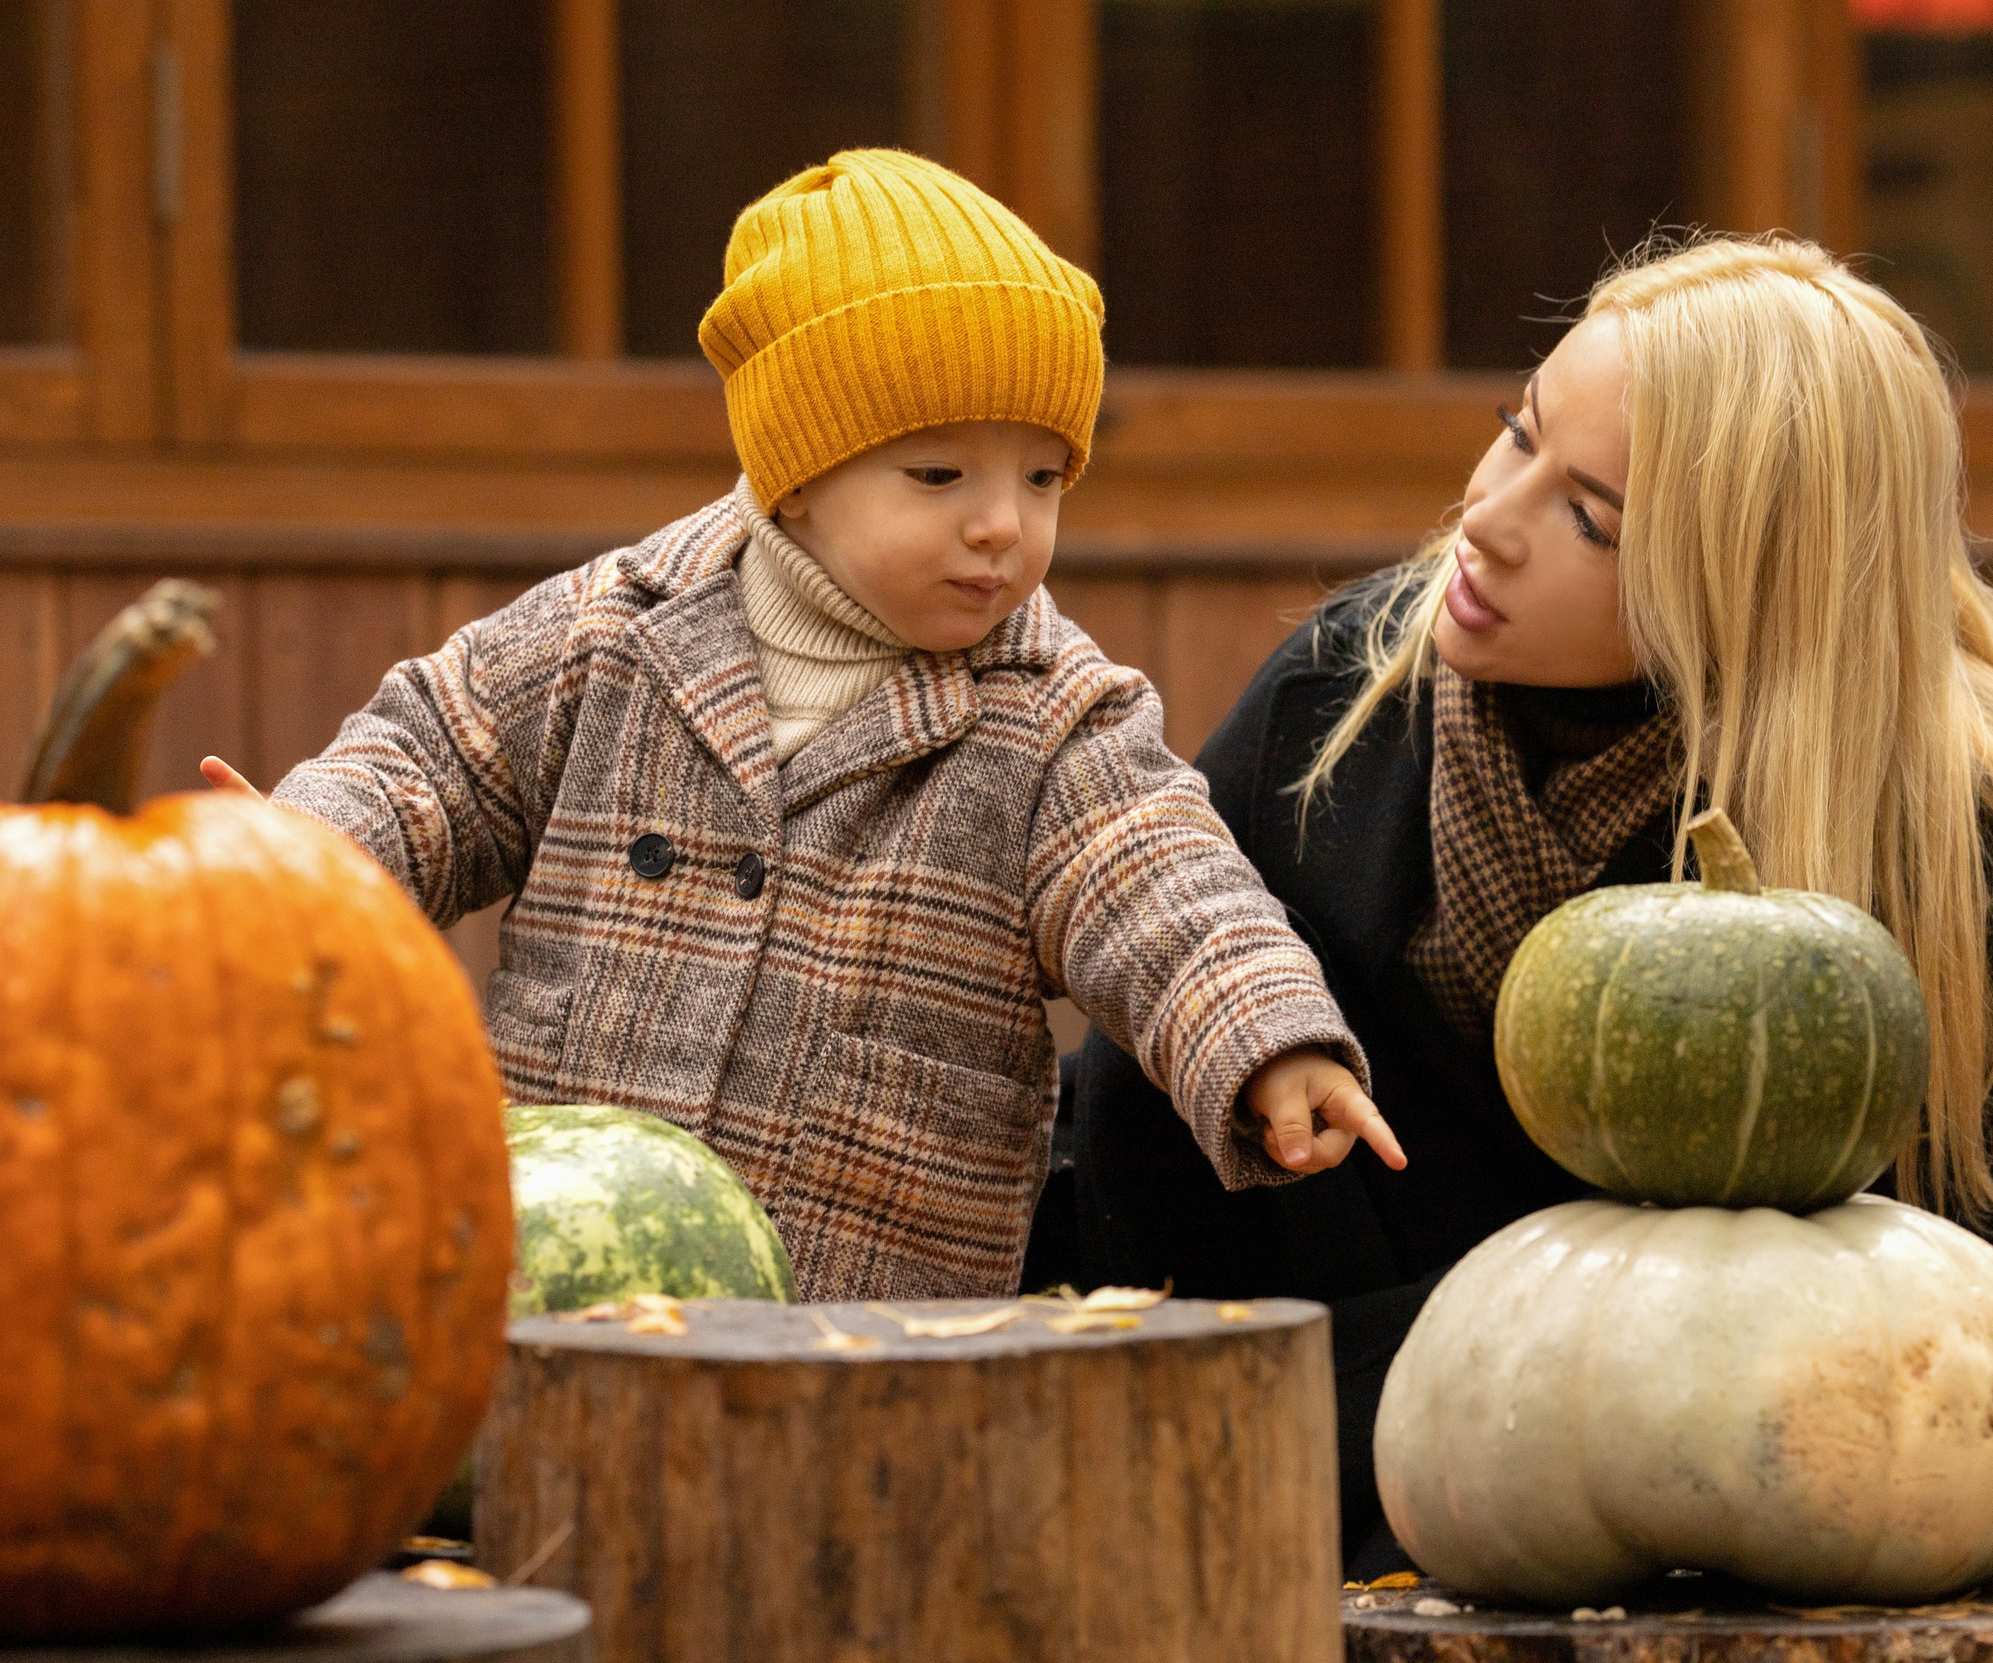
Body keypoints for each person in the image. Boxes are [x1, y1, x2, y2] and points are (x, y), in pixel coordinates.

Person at [1066, 233, 1993, 1574]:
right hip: (1296, 1458)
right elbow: (1131, 1185)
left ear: (1745, 585)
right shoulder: (1334, 707)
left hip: (1754, 1495)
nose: (1489, 517)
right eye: (1511, 433)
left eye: (1588, 516)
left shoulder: (1933, 824)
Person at [201, 149, 1402, 1303]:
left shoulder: (1051, 716)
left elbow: (1167, 887)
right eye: (941, 477)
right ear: (797, 472)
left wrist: (1264, 1037)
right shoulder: (607, 637)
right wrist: (303, 860)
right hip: (548, 1310)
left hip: (863, 1346)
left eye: (1043, 478)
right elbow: (429, 760)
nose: (1003, 526)